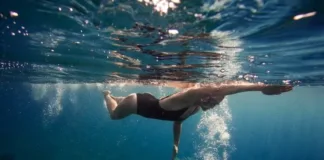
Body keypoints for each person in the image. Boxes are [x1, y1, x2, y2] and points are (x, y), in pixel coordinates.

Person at [102, 80, 293, 160]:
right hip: (137, 103)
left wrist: (175, 144)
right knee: (113, 116)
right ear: (205, 94)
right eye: (210, 100)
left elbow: (178, 122)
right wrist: (262, 87)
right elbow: (228, 88)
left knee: (122, 105)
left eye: (215, 104)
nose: (211, 105)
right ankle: (108, 95)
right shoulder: (189, 96)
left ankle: (118, 98)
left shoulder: (193, 109)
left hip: (145, 99)